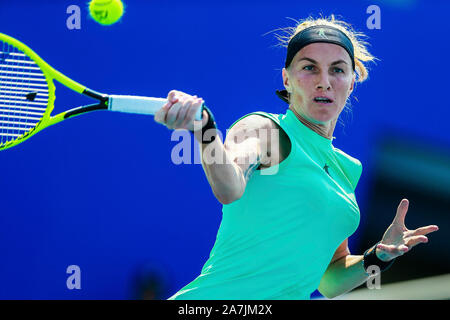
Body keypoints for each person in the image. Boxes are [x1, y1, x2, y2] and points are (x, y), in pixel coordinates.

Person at [154, 15, 439, 300]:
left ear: (351, 83)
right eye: (309, 68)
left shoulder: (348, 169)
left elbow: (329, 279)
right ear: (287, 79)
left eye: (337, 70)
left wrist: (378, 256)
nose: (324, 82)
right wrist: (205, 130)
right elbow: (229, 188)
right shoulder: (265, 129)